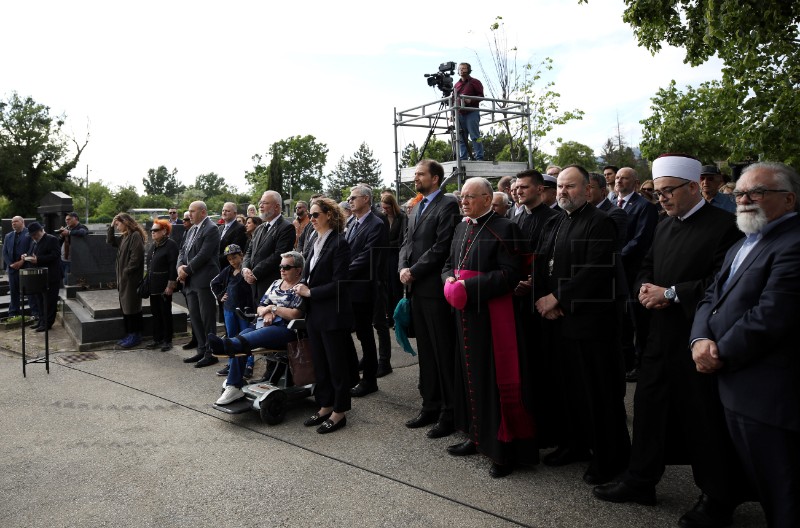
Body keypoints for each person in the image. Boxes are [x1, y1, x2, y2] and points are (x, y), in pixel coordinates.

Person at [594, 154, 748, 528]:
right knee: (648, 411)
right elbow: (645, 264)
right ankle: (640, 481)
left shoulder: (727, 227)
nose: (660, 198)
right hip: (658, 337)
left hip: (698, 338)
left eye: (668, 191)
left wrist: (673, 293)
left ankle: (717, 498)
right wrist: (645, 289)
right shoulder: (664, 224)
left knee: (703, 421)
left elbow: (724, 283)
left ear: (694, 187)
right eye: (658, 192)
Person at [691, 162, 800, 528]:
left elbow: (773, 314)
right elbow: (711, 296)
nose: (744, 200)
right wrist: (700, 338)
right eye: (739, 193)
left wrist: (717, 353)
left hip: (767, 392)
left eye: (757, 193)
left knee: (783, 492)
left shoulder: (793, 242)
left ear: (788, 199)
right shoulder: (745, 242)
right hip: (732, 383)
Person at [534, 165, 631, 485]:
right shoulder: (555, 221)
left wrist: (557, 298)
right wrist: (539, 295)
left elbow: (596, 271)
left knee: (598, 394)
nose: (563, 192)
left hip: (591, 324)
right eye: (560, 186)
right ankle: (574, 444)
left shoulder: (600, 222)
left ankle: (610, 458)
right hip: (558, 323)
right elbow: (543, 263)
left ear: (587, 189)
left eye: (570, 186)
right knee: (567, 391)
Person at [441, 177, 535, 478]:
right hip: (464, 315)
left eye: (469, 197)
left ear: (486, 198)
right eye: (461, 198)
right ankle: (476, 437)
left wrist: (469, 286)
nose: (464, 202)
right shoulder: (461, 226)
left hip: (491, 317)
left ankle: (502, 452)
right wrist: (448, 281)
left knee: (492, 380)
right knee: (469, 377)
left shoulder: (505, 228)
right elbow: (448, 264)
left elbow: (510, 274)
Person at [399, 159, 461, 439]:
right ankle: (430, 405)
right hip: (416, 290)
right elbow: (407, 243)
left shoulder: (446, 205)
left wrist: (415, 270)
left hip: (434, 291)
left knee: (442, 352)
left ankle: (450, 412)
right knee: (425, 351)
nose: (416, 179)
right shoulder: (417, 206)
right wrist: (402, 267)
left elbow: (441, 247)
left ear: (435, 178)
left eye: (420, 174)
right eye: (415, 175)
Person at [292, 197, 356, 434]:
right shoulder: (313, 238)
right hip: (315, 311)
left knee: (336, 364)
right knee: (320, 362)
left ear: (329, 215)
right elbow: (311, 271)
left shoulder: (339, 242)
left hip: (332, 312)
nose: (312, 219)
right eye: (311, 215)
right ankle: (325, 405)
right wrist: (302, 285)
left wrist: (311, 291)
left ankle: (339, 411)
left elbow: (341, 283)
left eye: (316, 214)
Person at [211, 251, 308, 405]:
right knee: (241, 340)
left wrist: (273, 309)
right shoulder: (276, 283)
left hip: (285, 330)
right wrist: (266, 311)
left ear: (298, 269)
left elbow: (295, 314)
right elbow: (260, 306)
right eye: (280, 266)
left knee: (240, 342)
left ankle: (224, 346)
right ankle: (233, 386)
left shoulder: (301, 287)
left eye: (286, 267)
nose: (282, 269)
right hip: (264, 323)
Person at [344, 184, 389, 397]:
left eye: (354, 197)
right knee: (355, 334)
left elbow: (368, 257)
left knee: (365, 334)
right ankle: (353, 374)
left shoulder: (377, 224)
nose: (349, 201)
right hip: (349, 288)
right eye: (349, 198)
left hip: (364, 288)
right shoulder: (351, 222)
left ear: (366, 199)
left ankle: (369, 380)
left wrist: (342, 272)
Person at [615, 167, 659, 380]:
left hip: (633, 272)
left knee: (638, 322)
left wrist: (615, 256)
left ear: (635, 182)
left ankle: (642, 365)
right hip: (617, 273)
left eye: (624, 178)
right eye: (617, 178)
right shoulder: (613, 205)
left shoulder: (644, 207)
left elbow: (641, 240)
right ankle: (627, 361)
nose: (619, 181)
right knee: (622, 322)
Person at [178, 201, 221, 367]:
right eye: (189, 211)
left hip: (203, 280)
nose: (189, 214)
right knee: (195, 317)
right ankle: (201, 350)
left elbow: (204, 254)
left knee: (207, 318)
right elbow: (183, 251)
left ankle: (211, 352)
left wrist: (186, 270)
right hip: (190, 281)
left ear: (203, 212)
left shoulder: (211, 228)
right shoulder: (191, 230)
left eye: (192, 211)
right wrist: (179, 267)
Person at [242, 191, 295, 306]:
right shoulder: (260, 228)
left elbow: (279, 255)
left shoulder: (286, 227)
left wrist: (254, 273)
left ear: (276, 207)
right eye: (260, 202)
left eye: (265, 203)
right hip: (254, 286)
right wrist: (245, 268)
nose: (260, 206)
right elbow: (249, 252)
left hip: (270, 286)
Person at [210, 243, 255, 379]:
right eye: (229, 259)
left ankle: (248, 364)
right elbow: (214, 283)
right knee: (231, 336)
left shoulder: (246, 270)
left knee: (246, 337)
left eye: (235, 257)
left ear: (241, 255)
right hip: (229, 309)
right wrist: (219, 296)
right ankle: (232, 363)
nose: (232, 261)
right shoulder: (228, 271)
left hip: (244, 310)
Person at [106, 213, 146, 347]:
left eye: (118, 224)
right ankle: (130, 334)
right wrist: (111, 226)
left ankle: (136, 336)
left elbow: (136, 257)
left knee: (132, 307)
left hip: (131, 279)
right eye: (116, 225)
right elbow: (110, 241)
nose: (117, 227)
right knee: (126, 307)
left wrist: (126, 272)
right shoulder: (125, 237)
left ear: (126, 222)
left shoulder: (135, 236)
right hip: (124, 279)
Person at [143, 218, 179, 352]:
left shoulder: (171, 245)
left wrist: (170, 286)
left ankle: (167, 340)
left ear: (164, 231)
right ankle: (157, 339)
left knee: (165, 313)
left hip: (164, 286)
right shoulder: (154, 246)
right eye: (152, 230)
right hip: (153, 286)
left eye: (156, 230)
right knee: (156, 313)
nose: (152, 233)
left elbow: (173, 266)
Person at [21, 222, 61, 332]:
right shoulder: (35, 242)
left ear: (40, 231)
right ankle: (41, 321)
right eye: (32, 235)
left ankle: (47, 323)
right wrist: (26, 256)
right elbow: (31, 253)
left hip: (51, 276)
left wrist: (38, 259)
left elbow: (55, 255)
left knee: (49, 301)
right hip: (39, 277)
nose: (33, 237)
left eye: (35, 234)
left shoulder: (51, 239)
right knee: (39, 300)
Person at [380, 192, 407, 340]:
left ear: (393, 206)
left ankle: (398, 319)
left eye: (387, 208)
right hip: (386, 258)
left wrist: (387, 245)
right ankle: (389, 316)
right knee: (387, 290)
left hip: (396, 256)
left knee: (396, 289)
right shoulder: (382, 218)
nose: (385, 211)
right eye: (383, 208)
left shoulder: (401, 217)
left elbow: (403, 239)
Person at [454, 62, 484, 161]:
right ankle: (463, 158)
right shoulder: (457, 85)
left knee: (475, 136)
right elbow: (453, 100)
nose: (462, 70)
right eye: (460, 69)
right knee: (462, 138)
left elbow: (481, 96)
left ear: (469, 70)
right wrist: (452, 114)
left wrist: (470, 100)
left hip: (472, 112)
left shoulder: (475, 82)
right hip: (460, 113)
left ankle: (479, 157)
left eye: (464, 68)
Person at [3, 216, 32, 318]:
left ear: (22, 222)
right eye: (12, 222)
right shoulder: (8, 236)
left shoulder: (29, 234)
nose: (13, 223)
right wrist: (11, 264)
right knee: (13, 292)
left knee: (29, 291)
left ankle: (35, 313)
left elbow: (31, 249)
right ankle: (13, 313)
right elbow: (5, 253)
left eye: (16, 221)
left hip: (25, 267)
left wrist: (21, 262)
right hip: (12, 269)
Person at [57, 212, 88, 285]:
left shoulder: (81, 227)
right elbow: (59, 242)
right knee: (62, 280)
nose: (67, 221)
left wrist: (69, 233)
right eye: (66, 220)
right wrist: (61, 235)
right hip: (63, 259)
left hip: (72, 260)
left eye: (69, 219)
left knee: (67, 281)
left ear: (76, 219)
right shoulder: (67, 228)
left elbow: (82, 233)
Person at [218, 202, 247, 270]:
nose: (224, 213)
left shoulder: (240, 228)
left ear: (235, 213)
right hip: (217, 267)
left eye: (227, 211)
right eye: (223, 210)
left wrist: (216, 260)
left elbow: (234, 249)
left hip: (229, 267)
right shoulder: (220, 228)